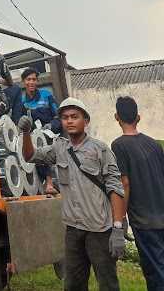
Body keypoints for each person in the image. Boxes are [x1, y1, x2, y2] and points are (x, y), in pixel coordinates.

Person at [18, 97, 126, 291]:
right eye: (65, 117)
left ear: (86, 121)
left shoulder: (100, 149)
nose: (69, 121)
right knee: (73, 284)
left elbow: (115, 187)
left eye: (74, 116)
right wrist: (26, 133)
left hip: (99, 229)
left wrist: (117, 228)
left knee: (108, 283)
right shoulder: (60, 148)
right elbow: (30, 156)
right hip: (73, 229)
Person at [111, 96, 164, 291]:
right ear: (138, 117)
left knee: (155, 273)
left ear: (117, 117)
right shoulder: (154, 145)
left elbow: (124, 183)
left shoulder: (118, 145)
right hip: (160, 215)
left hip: (144, 221)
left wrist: (120, 219)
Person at [20, 67, 61, 195]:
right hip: (33, 135)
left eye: (34, 79)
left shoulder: (46, 95)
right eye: (28, 79)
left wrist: (50, 126)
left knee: (41, 143)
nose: (31, 82)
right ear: (23, 82)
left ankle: (49, 182)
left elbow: (58, 116)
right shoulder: (22, 101)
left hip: (50, 132)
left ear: (37, 81)